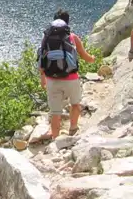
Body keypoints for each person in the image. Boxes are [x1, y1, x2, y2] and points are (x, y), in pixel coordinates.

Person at [38, 10, 96, 139]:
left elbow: (41, 59)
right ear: (67, 22)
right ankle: (73, 129)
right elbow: (84, 56)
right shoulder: (72, 37)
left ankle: (55, 138)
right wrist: (92, 59)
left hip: (52, 79)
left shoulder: (46, 38)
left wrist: (42, 78)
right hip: (71, 78)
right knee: (75, 104)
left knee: (55, 112)